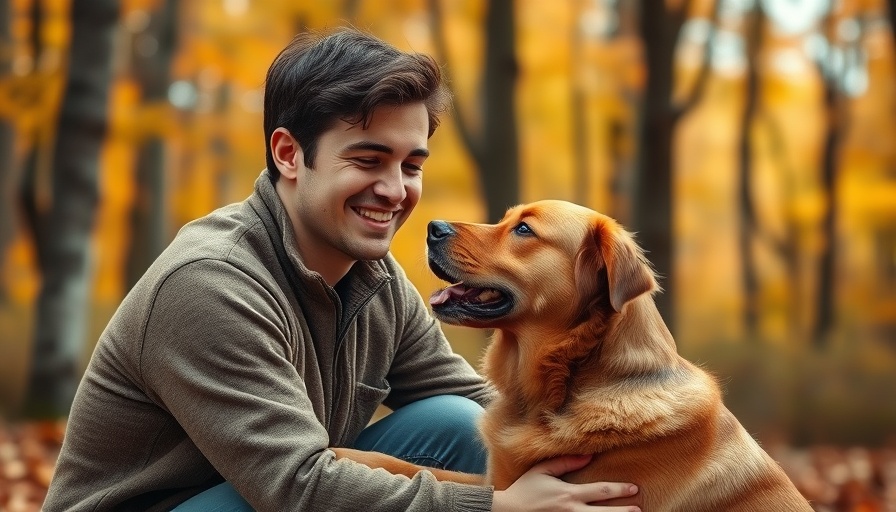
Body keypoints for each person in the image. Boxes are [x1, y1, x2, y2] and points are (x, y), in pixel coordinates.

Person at [43, 27, 641, 512]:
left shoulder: (372, 279)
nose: (394, 190)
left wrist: (648, 442)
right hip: (203, 503)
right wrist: (496, 507)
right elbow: (295, 487)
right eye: (368, 159)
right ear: (288, 154)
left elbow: (473, 399)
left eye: (411, 164)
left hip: (268, 492)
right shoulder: (209, 283)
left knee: (462, 423)